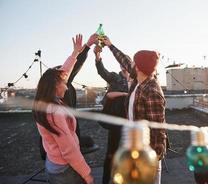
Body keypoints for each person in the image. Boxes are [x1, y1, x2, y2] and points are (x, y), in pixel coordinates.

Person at [102, 36, 167, 184]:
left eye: (134, 62)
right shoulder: (139, 80)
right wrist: (110, 45)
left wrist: (151, 159)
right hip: (136, 149)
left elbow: (158, 130)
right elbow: (124, 60)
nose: (131, 64)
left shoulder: (152, 91)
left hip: (147, 157)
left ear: (138, 67)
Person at [33, 34, 94, 184]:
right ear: (55, 86)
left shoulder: (43, 101)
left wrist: (75, 53)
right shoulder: (55, 113)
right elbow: (69, 150)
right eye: (64, 83)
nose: (67, 87)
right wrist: (87, 174)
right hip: (64, 171)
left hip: (53, 163)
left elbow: (64, 72)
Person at [39, 33, 99, 160]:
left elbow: (68, 68)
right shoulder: (54, 108)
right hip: (62, 155)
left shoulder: (47, 97)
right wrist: (86, 46)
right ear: (55, 83)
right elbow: (71, 67)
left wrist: (79, 51)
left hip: (56, 151)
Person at [93, 44, 130, 184]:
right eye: (122, 64)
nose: (123, 66)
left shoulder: (134, 80)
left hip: (131, 121)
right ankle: (105, 180)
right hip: (116, 120)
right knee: (111, 152)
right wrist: (97, 56)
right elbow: (102, 72)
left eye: (125, 63)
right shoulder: (115, 77)